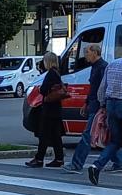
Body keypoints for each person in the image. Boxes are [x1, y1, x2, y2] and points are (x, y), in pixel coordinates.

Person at [64, 45, 122, 173]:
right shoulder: (97, 66)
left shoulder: (105, 66)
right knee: (109, 136)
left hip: (103, 106)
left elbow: (102, 88)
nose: (85, 55)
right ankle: (117, 162)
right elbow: (95, 89)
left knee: (91, 135)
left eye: (87, 52)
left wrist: (103, 106)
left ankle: (78, 164)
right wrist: (87, 103)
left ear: (95, 52)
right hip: (100, 105)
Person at [26, 52, 65, 168]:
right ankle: (59, 158)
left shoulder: (50, 74)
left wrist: (40, 89)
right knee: (55, 135)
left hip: (49, 109)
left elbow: (43, 90)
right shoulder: (57, 73)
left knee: (43, 135)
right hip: (56, 108)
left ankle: (39, 159)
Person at [88, 57, 122, 185]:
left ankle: (96, 166)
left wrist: (103, 105)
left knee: (115, 141)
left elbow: (102, 88)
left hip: (110, 104)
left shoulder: (113, 64)